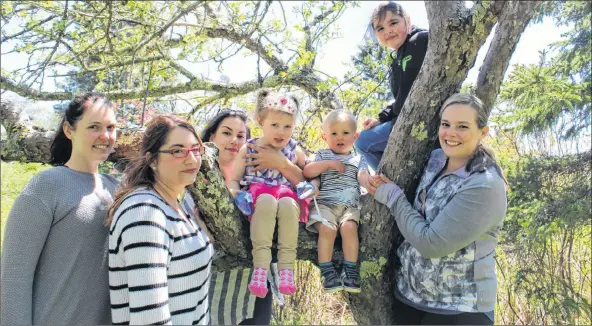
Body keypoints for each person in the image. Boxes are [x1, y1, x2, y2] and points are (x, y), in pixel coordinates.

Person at [372, 94, 507, 325]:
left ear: (482, 132)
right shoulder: (435, 158)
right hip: (410, 297)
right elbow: (375, 151)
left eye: (462, 126)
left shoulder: (484, 184)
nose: (450, 133)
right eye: (446, 124)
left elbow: (431, 244)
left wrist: (393, 197)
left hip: (460, 309)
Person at [1, 93, 119, 325]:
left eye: (111, 127)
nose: (105, 136)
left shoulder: (117, 190)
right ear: (69, 130)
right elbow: (13, 279)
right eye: (94, 126)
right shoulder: (46, 186)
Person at [107, 114, 214, 325]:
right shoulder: (144, 213)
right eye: (177, 151)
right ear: (152, 160)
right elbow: (150, 318)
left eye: (195, 149)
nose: (192, 159)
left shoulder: (177, 205)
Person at [201, 108, 302, 325]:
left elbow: (304, 183)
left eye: (241, 136)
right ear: (211, 138)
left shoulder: (261, 174)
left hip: (256, 289)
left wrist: (281, 163)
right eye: (227, 133)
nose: (234, 141)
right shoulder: (198, 180)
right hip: (211, 286)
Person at [228, 89, 309, 299]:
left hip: (285, 195)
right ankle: (260, 269)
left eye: (287, 126)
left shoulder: (293, 149)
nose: (281, 132)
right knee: (265, 202)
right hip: (259, 194)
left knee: (290, 206)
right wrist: (236, 193)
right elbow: (235, 178)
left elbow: (309, 170)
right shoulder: (250, 148)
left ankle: (286, 270)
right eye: (274, 125)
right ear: (260, 122)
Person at [303, 110, 372, 294]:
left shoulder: (358, 158)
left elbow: (363, 176)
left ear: (355, 136)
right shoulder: (322, 155)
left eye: (345, 133)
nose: (339, 137)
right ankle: (327, 272)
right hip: (324, 204)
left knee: (349, 228)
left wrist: (370, 182)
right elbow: (309, 172)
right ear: (324, 137)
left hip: (349, 206)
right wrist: (328, 164)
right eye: (334, 133)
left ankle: (350, 271)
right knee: (328, 228)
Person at [355, 1, 429, 171]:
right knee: (362, 139)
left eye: (393, 23)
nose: (387, 31)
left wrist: (385, 117)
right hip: (404, 120)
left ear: (407, 20)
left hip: (422, 120)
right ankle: (396, 176)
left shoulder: (421, 40)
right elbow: (402, 96)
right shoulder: (397, 59)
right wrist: (381, 118)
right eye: (380, 28)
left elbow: (406, 96)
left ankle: (387, 183)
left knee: (362, 143)